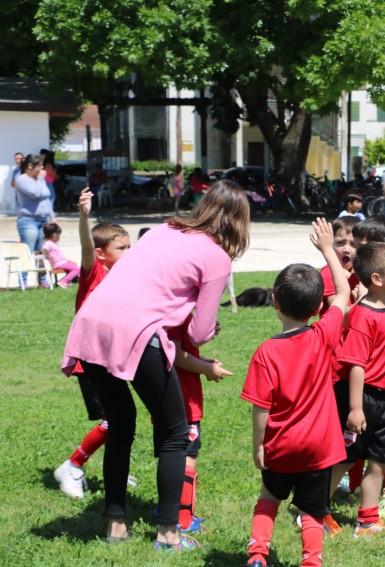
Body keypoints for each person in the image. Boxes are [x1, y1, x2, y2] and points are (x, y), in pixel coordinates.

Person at [61, 180, 250, 550]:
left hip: (91, 321)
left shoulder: (165, 228)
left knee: (121, 424)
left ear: (204, 205)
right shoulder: (217, 257)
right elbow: (198, 332)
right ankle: (168, 534)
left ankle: (115, 526)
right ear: (239, 223)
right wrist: (208, 330)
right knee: (175, 433)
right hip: (138, 333)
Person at [242, 218, 350, 567]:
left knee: (269, 498)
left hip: (282, 444)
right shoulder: (324, 334)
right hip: (321, 447)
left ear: (274, 301)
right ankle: (311, 561)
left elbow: (260, 408)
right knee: (312, 510)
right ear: (320, 306)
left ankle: (257, 556)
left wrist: (259, 445)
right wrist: (327, 250)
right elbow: (345, 292)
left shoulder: (266, 352)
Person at [335, 216, 385, 521]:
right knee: (345, 459)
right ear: (379, 279)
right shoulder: (363, 315)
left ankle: (368, 521)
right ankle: (314, 510)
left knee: (379, 460)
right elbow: (356, 365)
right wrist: (355, 409)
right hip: (363, 397)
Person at [53, 189, 131, 500]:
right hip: (90, 361)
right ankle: (72, 466)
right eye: (122, 248)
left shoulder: (124, 275)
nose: (129, 252)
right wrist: (85, 217)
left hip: (113, 359)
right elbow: (87, 245)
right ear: (102, 254)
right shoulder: (94, 270)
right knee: (115, 419)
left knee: (121, 418)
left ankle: (116, 466)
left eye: (129, 246)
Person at [167, 313, 233, 533]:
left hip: (172, 399)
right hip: (184, 403)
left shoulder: (175, 310)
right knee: (188, 458)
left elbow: (182, 352)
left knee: (171, 456)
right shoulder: (178, 315)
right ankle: (184, 518)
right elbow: (175, 355)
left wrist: (204, 363)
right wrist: (206, 369)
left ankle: (166, 508)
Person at [15, 154, 54, 286]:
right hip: (28, 221)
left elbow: (46, 199)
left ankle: (42, 281)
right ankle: (23, 281)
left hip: (43, 220)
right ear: (30, 166)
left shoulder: (39, 180)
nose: (42, 168)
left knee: (41, 252)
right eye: (40, 165)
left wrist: (52, 217)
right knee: (28, 251)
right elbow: (35, 193)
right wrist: (41, 180)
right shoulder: (21, 180)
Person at [319, 216, 360, 315]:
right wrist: (363, 302)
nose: (346, 249)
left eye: (353, 244)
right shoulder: (328, 272)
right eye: (340, 243)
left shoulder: (361, 272)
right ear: (331, 244)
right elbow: (339, 312)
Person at [41, 222, 81, 288]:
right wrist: (45, 259)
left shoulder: (54, 243)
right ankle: (64, 281)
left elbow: (60, 256)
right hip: (58, 264)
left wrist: (68, 260)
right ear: (54, 235)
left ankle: (63, 281)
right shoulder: (48, 244)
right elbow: (44, 253)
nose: (59, 237)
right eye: (58, 235)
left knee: (74, 266)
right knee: (77, 269)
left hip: (61, 263)